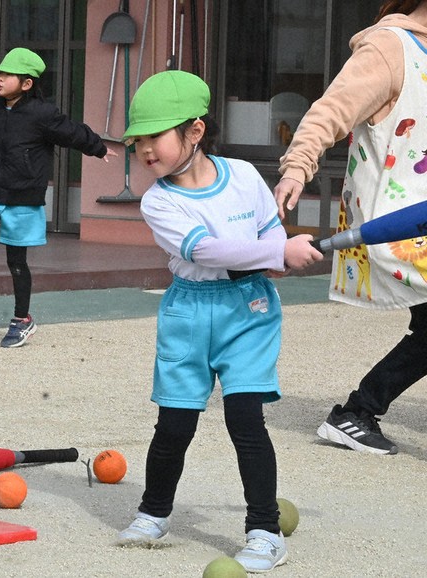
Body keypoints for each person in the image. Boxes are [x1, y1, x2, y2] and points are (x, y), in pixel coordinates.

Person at [115, 71, 321, 573]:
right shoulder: (158, 200)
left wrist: (281, 256)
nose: (145, 149)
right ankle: (154, 513)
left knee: (245, 419)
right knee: (175, 424)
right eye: (138, 139)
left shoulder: (246, 176)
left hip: (248, 310)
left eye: (155, 136)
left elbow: (268, 236)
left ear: (195, 131)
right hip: (189, 310)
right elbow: (205, 250)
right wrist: (276, 250)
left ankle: (264, 531)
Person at [274, 1, 427, 455]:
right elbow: (331, 111)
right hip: (395, 225)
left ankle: (357, 412)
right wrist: (296, 168)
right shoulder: (388, 47)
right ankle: (356, 411)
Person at [0, 47, 117, 347]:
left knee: (16, 262)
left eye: (7, 75)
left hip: (23, 197)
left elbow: (72, 133)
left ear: (27, 83)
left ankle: (22, 320)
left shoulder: (43, 114)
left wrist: (98, 147)